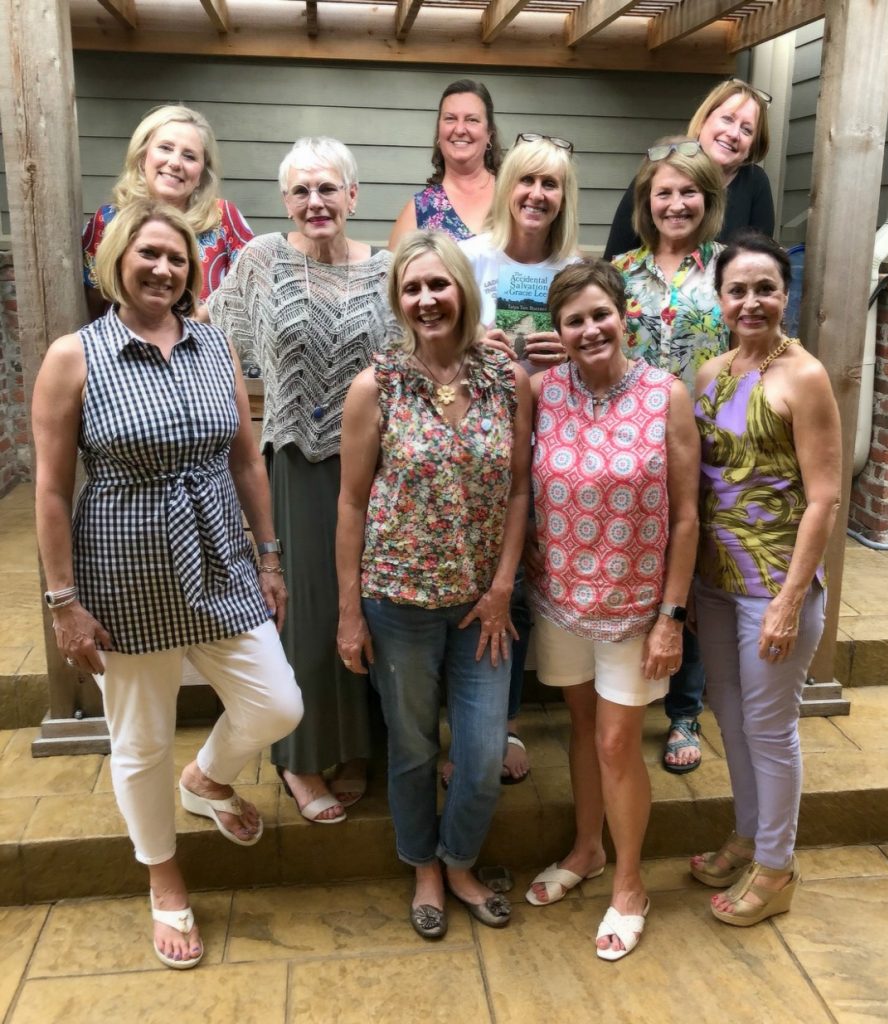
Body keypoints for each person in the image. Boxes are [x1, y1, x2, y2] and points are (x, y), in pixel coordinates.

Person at [32, 199, 303, 971]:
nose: (162, 268)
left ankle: (206, 777)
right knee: (140, 739)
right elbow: (51, 489)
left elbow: (246, 460)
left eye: (177, 258)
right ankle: (164, 878)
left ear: (192, 271)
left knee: (277, 703)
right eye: (148, 253)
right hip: (124, 570)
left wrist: (269, 557)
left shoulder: (214, 345)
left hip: (219, 556)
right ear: (116, 259)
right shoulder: (75, 356)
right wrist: (63, 602)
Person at [336, 231, 531, 940]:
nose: (426, 299)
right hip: (398, 603)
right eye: (411, 288)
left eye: (437, 284)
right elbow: (352, 502)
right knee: (414, 747)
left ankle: (460, 861)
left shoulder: (506, 381)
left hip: (484, 608)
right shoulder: (376, 386)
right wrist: (349, 613)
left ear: (462, 290)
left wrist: (503, 585)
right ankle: (424, 865)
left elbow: (518, 490)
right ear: (398, 300)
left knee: (480, 757)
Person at [209, 137, 398, 823]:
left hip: (380, 466)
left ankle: (357, 745)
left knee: (370, 605)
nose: (315, 202)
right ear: (285, 200)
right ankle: (301, 756)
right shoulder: (261, 259)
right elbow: (215, 339)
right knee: (309, 611)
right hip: (294, 462)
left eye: (328, 188)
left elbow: (422, 343)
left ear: (353, 195)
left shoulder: (387, 269)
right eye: (301, 191)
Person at [525, 259, 699, 961]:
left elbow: (686, 517)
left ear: (624, 316)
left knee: (616, 742)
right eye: (574, 321)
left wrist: (671, 617)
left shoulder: (665, 394)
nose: (590, 329)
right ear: (558, 330)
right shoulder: (541, 392)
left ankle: (630, 885)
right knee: (581, 727)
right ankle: (587, 848)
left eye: (600, 314)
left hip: (635, 604)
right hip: (558, 596)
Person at [689, 230, 841, 926]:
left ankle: (776, 868)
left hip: (774, 583)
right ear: (720, 299)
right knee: (729, 713)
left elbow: (824, 497)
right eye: (737, 290)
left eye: (765, 288)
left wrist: (788, 601)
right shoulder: (710, 373)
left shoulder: (804, 376)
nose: (750, 301)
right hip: (715, 582)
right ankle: (748, 836)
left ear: (785, 294)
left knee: (770, 726)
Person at [457, 132, 581, 783]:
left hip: (553, 449)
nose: (536, 194)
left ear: (563, 197)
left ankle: (504, 721)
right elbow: (425, 333)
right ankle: (466, 723)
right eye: (526, 181)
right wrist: (472, 338)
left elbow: (606, 355)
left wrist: (574, 350)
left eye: (549, 184)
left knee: (522, 588)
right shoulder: (469, 258)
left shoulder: (573, 271)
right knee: (477, 578)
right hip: (478, 447)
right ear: (507, 188)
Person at [612, 139, 729, 775]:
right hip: (629, 448)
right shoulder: (620, 272)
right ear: (646, 201)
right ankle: (625, 692)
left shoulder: (728, 268)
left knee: (693, 572)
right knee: (638, 563)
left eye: (689, 192)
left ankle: (685, 711)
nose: (676, 204)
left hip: (706, 447)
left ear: (707, 199)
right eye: (664, 192)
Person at [82, 104, 253, 321]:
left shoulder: (223, 217)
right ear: (142, 157)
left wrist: (197, 321)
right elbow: (94, 302)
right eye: (165, 148)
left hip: (207, 341)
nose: (175, 163)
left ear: (202, 173)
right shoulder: (107, 220)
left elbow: (252, 289)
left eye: (189, 156)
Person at [604, 78, 774, 259]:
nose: (733, 134)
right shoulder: (660, 169)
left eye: (746, 130)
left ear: (752, 147)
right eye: (727, 119)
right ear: (703, 121)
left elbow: (761, 261)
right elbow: (614, 260)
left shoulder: (756, 182)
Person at [388, 80, 502, 249]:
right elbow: (395, 266)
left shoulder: (513, 195)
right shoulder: (420, 210)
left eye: (472, 120)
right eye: (450, 119)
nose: (460, 129)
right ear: (439, 133)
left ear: (489, 134)